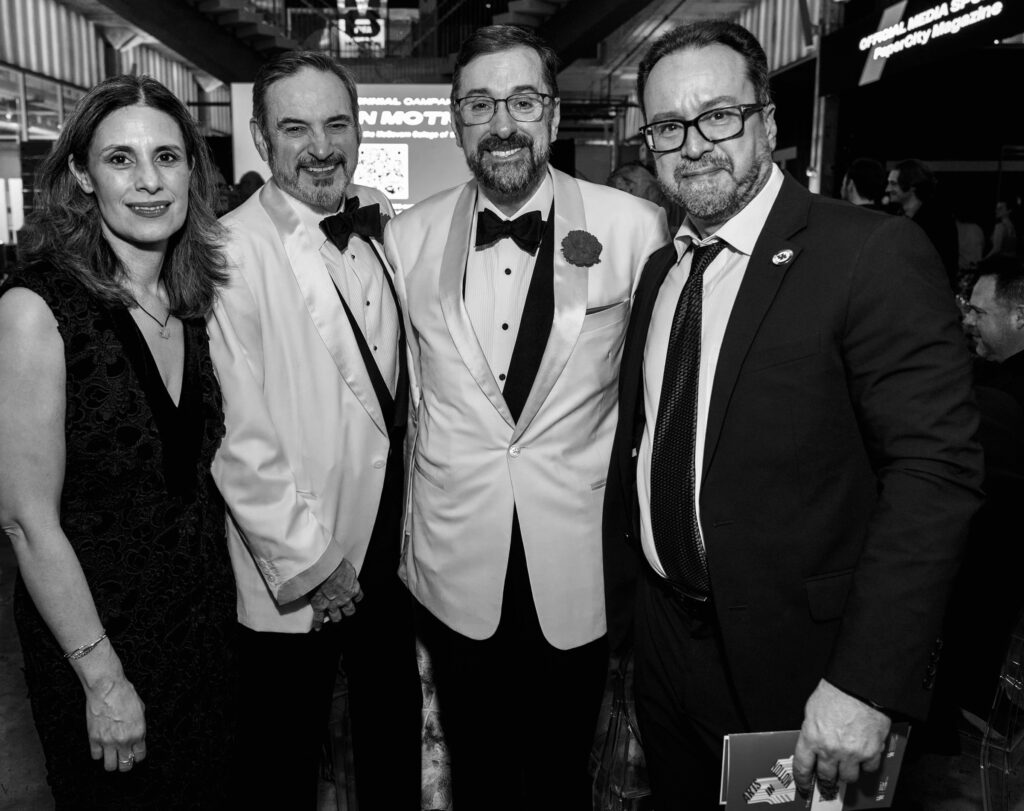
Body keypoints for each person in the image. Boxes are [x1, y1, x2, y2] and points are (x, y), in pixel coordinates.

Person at [602, 20, 983, 807]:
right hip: (666, 648)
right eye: (668, 126)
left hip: (803, 670)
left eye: (718, 116)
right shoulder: (662, 271)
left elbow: (935, 475)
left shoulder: (868, 253)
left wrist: (867, 681)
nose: (693, 144)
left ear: (768, 123)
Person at [383, 24, 667, 810]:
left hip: (577, 563)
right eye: (480, 104)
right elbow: (407, 402)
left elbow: (651, 403)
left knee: (559, 778)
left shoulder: (634, 229)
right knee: (475, 774)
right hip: (452, 561)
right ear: (456, 120)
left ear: (554, 113)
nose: (502, 123)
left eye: (522, 101)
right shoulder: (405, 239)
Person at [0, 74, 236, 808]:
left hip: (203, 639)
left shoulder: (193, 302)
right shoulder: (36, 309)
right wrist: (103, 680)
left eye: (166, 157)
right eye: (120, 159)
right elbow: (26, 520)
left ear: (192, 171)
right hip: (99, 652)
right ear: (81, 174)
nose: (148, 181)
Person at [208, 51, 421, 809]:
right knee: (282, 760)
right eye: (295, 128)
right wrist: (312, 562)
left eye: (337, 124)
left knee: (391, 740)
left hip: (392, 548)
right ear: (261, 139)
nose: (322, 147)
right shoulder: (228, 250)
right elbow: (237, 438)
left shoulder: (381, 220)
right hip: (302, 558)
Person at [926, 256, 1024, 748]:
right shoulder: (994, 378)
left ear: (1019, 317)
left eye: (979, 313)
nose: (968, 320)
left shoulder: (1004, 401)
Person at [886, 158, 959, 288]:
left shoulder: (938, 221)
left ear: (911, 186)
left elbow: (943, 266)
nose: (887, 189)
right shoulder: (898, 218)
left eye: (893, 184)